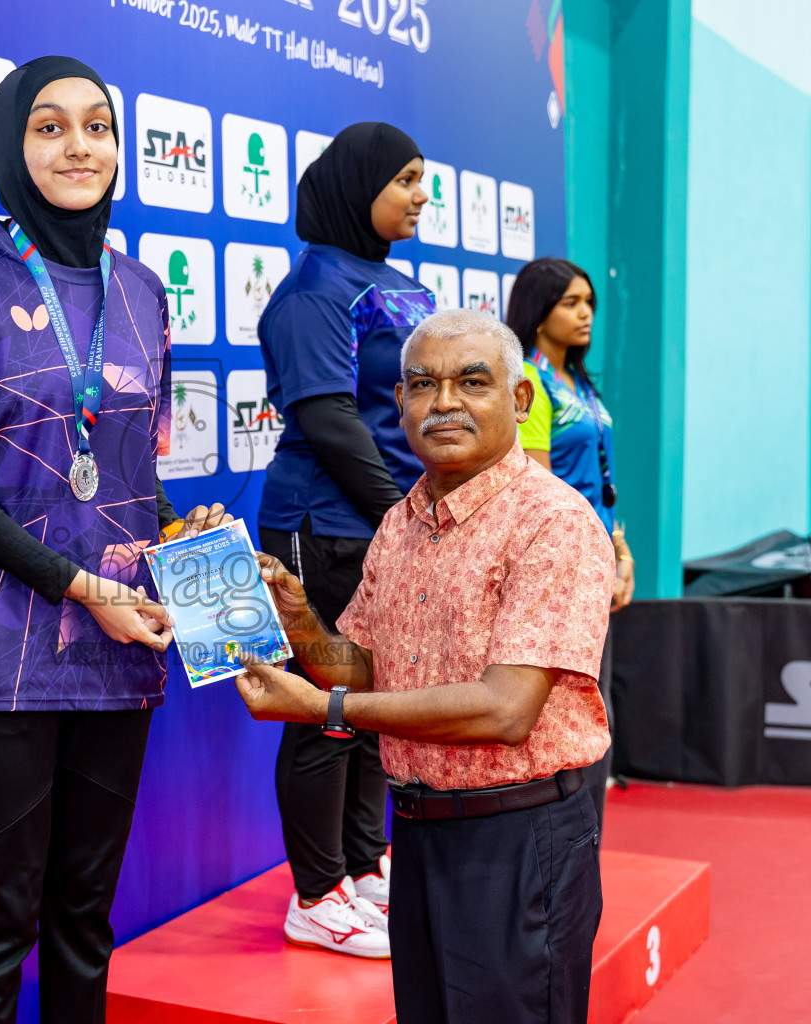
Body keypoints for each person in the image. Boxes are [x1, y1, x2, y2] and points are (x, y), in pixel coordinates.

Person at [0, 56, 228, 1024]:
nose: (81, 146)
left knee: (85, 912)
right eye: (50, 126)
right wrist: (79, 587)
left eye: (98, 126)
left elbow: (131, 472)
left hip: (121, 656)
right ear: (9, 145)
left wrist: (180, 542)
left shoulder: (146, 292)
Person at [236, 309, 615, 1023]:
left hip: (519, 842)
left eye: (472, 382)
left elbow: (506, 710)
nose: (443, 403)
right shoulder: (403, 520)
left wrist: (325, 713)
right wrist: (296, 617)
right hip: (416, 832)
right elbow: (362, 670)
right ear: (400, 403)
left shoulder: (552, 523)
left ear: (520, 399)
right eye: (422, 385)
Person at [252, 120, 437, 956]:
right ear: (358, 184)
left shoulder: (401, 284)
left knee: (371, 709)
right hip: (320, 528)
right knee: (322, 710)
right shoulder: (314, 292)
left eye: (421, 179)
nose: (420, 194)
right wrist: (407, 513)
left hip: (391, 524)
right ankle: (316, 893)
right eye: (404, 179)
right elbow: (328, 419)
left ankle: (365, 866)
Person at [506, 257, 632, 825]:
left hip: (599, 552)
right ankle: (564, 844)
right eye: (571, 304)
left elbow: (602, 477)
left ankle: (588, 845)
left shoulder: (578, 379)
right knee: (565, 711)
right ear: (538, 311)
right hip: (563, 565)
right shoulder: (530, 381)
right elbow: (538, 487)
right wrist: (584, 560)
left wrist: (621, 553)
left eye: (589, 304)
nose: (585, 315)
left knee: (595, 709)